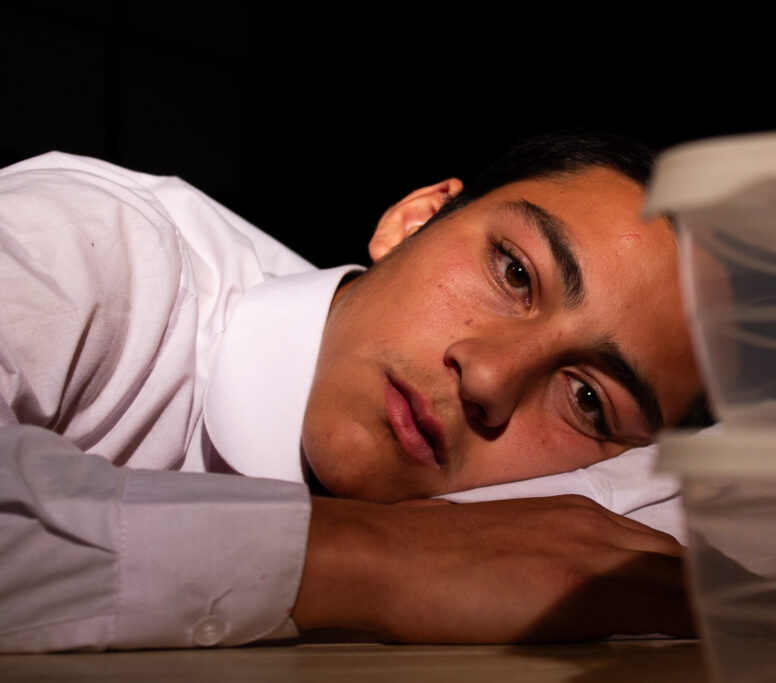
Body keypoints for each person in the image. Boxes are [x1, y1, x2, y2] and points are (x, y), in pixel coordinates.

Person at [0, 132, 705, 652]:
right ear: (412, 220)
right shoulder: (100, 240)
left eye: (587, 400)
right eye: (515, 273)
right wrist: (381, 558)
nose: (490, 378)